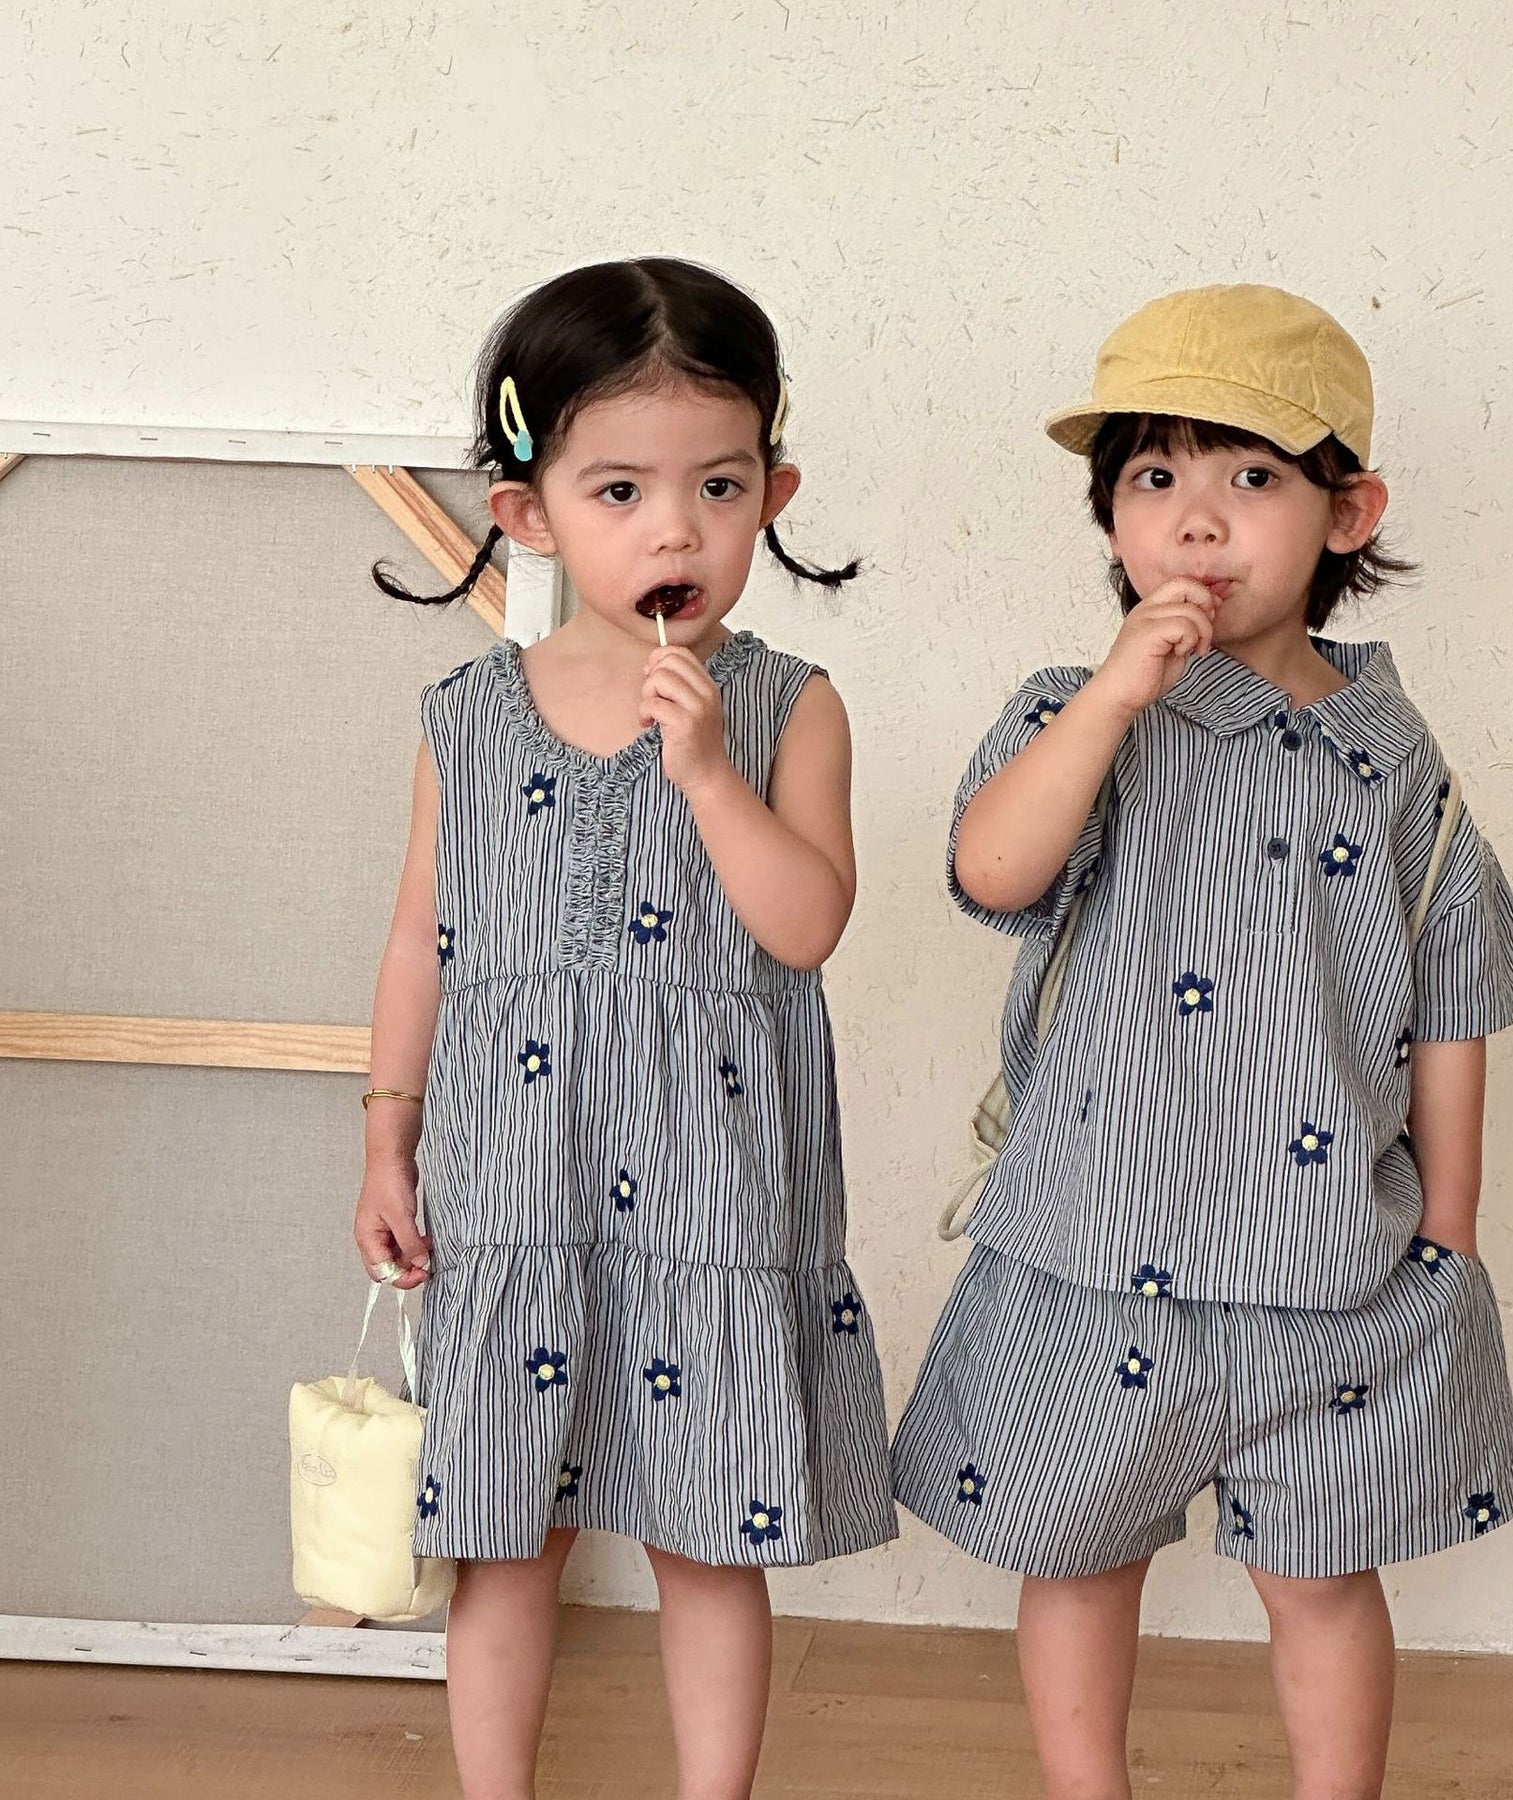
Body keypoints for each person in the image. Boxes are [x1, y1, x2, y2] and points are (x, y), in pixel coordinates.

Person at [892, 284, 1513, 1800]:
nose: (1197, 519)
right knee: (1075, 1560)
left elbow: (1453, 989)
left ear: (1347, 513)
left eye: (1251, 475)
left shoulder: (1393, 758)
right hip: (1090, 1244)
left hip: (1328, 1264)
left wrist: (1449, 1231)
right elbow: (994, 872)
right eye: (1154, 477)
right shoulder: (1077, 716)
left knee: (1321, 1578)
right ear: (1111, 520)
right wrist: (1116, 696)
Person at [353, 257, 896, 1800]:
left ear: (774, 492)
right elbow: (421, 940)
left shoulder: (791, 707)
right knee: (505, 1539)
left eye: (719, 487)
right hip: (513, 1198)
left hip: (712, 1204)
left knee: (709, 1539)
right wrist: (386, 1133)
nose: (677, 532)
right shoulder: (465, 717)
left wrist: (710, 774)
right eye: (620, 491)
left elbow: (806, 924)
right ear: (527, 512)